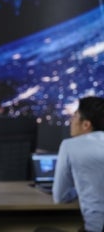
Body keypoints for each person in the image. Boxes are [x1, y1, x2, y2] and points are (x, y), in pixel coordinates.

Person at [53, 96, 104, 232]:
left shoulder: (69, 146)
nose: (71, 121)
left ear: (86, 124)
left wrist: (82, 189)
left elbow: (60, 197)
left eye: (75, 116)